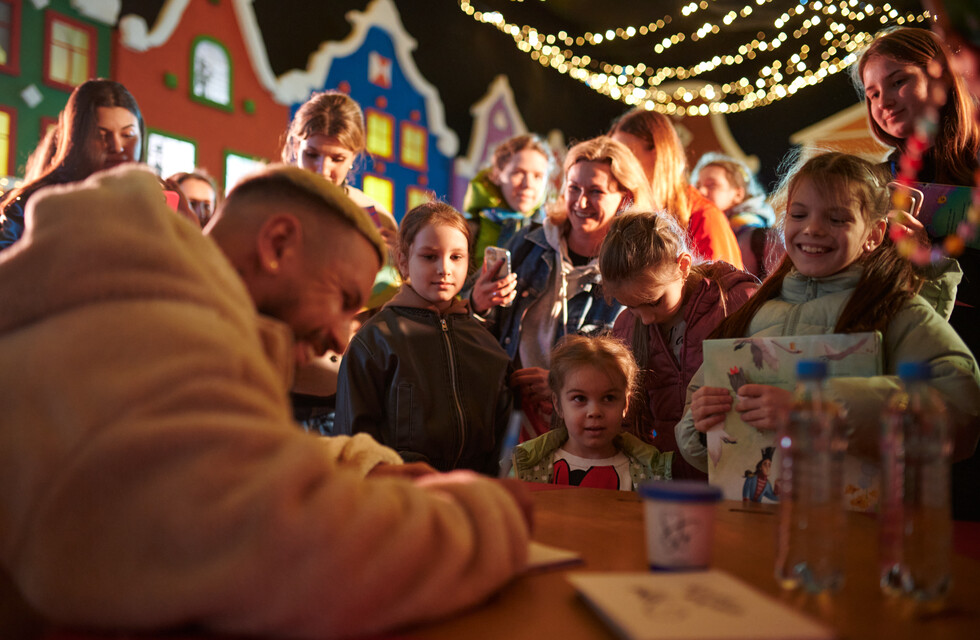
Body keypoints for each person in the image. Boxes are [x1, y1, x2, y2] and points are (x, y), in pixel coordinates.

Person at [0, 164, 531, 638]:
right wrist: (491, 518)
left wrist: (360, 465)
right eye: (342, 299)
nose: (338, 337)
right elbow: (293, 556)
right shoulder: (159, 338)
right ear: (278, 243)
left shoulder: (149, 307)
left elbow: (208, 458)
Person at [674, 152, 980, 474]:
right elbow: (698, 425)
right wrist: (702, 424)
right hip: (756, 518)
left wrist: (814, 411)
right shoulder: (754, 314)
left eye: (837, 219)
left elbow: (959, 402)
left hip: (859, 520)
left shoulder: (895, 309)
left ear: (874, 235)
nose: (813, 229)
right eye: (799, 215)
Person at [470, 136, 654, 439]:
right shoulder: (528, 243)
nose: (581, 202)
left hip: (587, 432)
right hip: (513, 417)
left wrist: (563, 382)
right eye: (573, 188)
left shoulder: (631, 268)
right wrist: (477, 304)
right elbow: (485, 331)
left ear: (624, 198)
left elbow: (634, 367)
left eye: (596, 191)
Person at [336, 202, 513, 473]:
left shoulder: (485, 342)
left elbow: (501, 440)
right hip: (400, 499)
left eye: (456, 257)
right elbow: (353, 445)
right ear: (404, 261)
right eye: (430, 256)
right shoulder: (375, 341)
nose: (444, 269)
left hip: (472, 496)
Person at [599, 211, 758, 481]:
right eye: (631, 306)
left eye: (654, 301)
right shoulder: (626, 326)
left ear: (683, 265)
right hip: (665, 483)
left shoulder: (735, 302)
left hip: (736, 475)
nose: (646, 318)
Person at [280, 90, 401, 429]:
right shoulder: (267, 200)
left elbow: (391, 310)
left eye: (337, 158)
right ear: (294, 145)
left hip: (343, 394)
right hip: (273, 386)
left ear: (355, 157)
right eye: (312, 155)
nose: (322, 170)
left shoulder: (375, 217)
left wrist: (395, 262)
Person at [0, 79, 145, 251]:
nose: (117, 146)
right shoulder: (30, 205)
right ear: (77, 138)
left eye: (128, 134)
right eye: (101, 134)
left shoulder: (150, 204)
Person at [513, 334, 672, 490]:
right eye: (580, 398)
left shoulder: (649, 472)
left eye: (609, 398)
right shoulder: (528, 468)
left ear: (626, 403)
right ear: (558, 404)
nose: (594, 412)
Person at [608, 109, 744, 269]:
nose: (615, 163)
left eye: (627, 153)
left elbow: (724, 289)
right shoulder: (617, 205)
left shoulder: (704, 216)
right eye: (613, 155)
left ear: (658, 153)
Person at [462, 133, 554, 269]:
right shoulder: (467, 231)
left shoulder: (555, 234)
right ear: (498, 175)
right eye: (518, 172)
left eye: (538, 176)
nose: (528, 183)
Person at [691, 152, 776, 277]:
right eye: (697, 186)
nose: (701, 191)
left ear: (738, 194)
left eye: (711, 185)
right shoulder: (701, 231)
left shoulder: (763, 237)